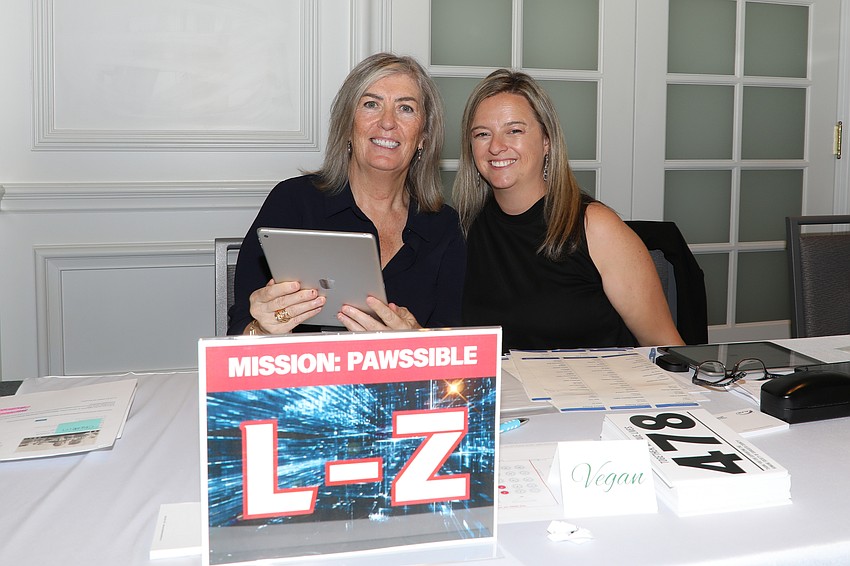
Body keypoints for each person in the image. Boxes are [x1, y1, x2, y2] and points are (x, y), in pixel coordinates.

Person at [228, 53, 465, 336]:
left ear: (424, 137)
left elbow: (454, 351)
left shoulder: (444, 227)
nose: (387, 122)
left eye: (405, 108)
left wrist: (416, 342)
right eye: (371, 104)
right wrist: (262, 329)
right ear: (347, 126)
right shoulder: (292, 202)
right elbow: (238, 333)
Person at [452, 69, 684, 350]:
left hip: (600, 391)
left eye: (514, 130)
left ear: (546, 141)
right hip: (507, 394)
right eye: (482, 134)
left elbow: (666, 347)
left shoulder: (595, 226)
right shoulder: (464, 229)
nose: (496, 147)